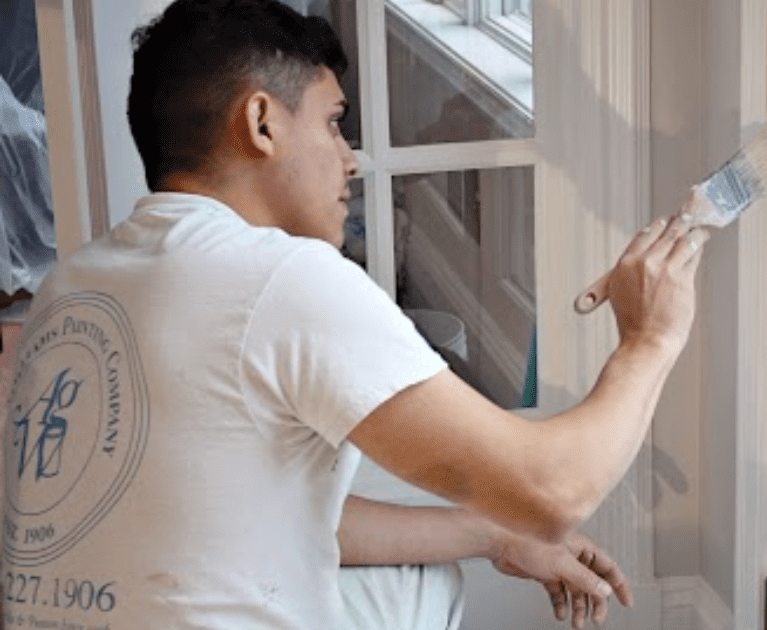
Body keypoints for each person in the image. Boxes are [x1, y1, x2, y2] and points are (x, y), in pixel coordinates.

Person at [0, 1, 709, 629]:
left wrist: (493, 535)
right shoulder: (280, 278)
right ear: (260, 122)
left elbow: (274, 517)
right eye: (334, 123)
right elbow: (553, 491)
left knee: (397, 559)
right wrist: (649, 339)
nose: (352, 160)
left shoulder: (71, 285)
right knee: (417, 586)